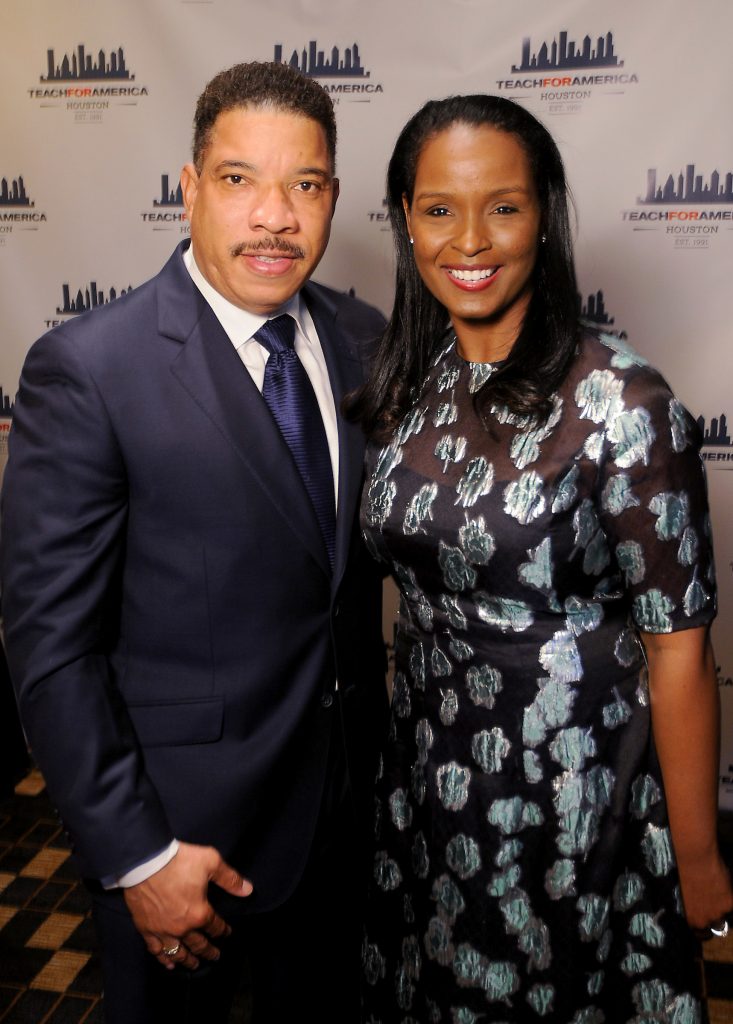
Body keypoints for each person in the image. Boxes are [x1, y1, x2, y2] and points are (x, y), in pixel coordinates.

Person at [0, 61, 388, 1024]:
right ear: (188, 187)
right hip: (183, 846)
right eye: (239, 179)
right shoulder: (90, 369)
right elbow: (51, 645)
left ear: (332, 196)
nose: (274, 218)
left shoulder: (365, 341)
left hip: (343, 826)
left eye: (304, 185)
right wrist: (136, 855)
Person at [349, 94, 732, 1022]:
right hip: (425, 788)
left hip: (574, 805)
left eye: (503, 207)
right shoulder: (408, 381)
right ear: (405, 219)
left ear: (545, 214)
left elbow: (679, 652)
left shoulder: (624, 405)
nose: (469, 240)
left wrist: (697, 861)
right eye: (438, 209)